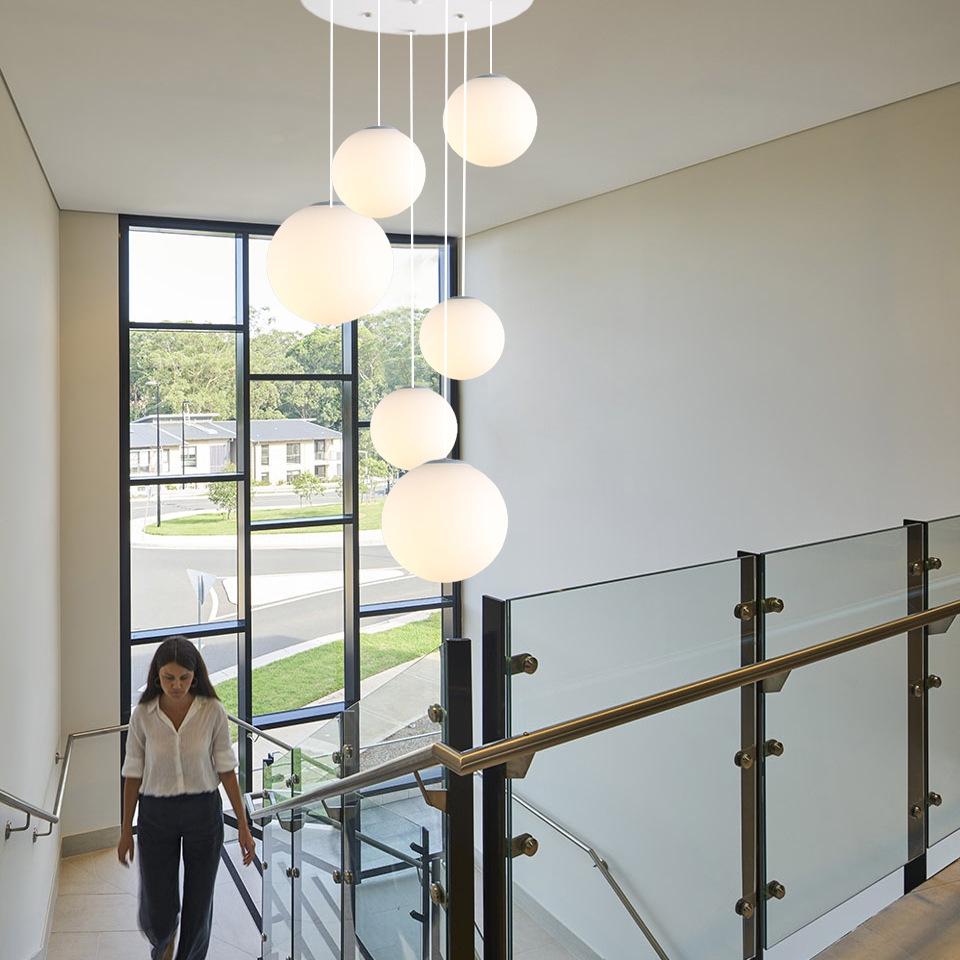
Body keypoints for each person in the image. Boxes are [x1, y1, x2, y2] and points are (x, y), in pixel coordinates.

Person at [117, 637, 257, 960]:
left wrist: (244, 827)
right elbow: (132, 773)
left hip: (203, 813)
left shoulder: (212, 711)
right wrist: (126, 829)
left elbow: (226, 769)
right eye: (169, 678)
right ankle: (163, 940)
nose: (177, 685)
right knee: (158, 900)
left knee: (200, 900)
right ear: (156, 676)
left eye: (184, 677)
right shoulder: (143, 715)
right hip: (155, 813)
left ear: (196, 676)